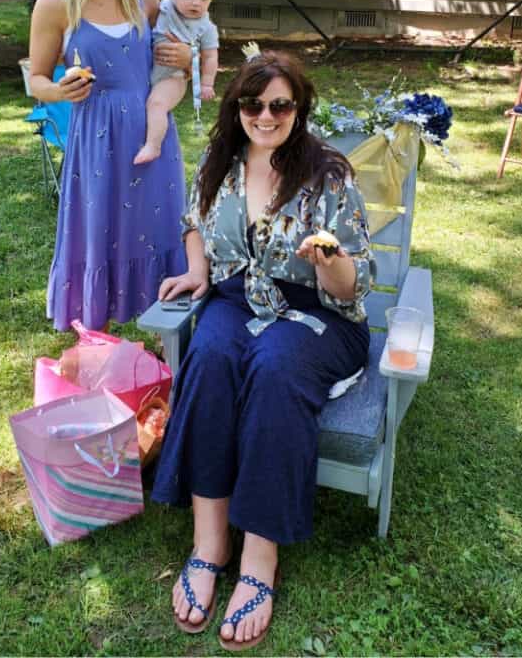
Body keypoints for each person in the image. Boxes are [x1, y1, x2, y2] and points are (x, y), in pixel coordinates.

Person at [151, 50, 373, 651]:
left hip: (317, 312)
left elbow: (355, 286)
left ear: (298, 109)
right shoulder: (222, 158)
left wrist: (329, 263)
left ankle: (259, 558)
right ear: (237, 106)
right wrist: (198, 270)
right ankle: (209, 543)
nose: (266, 116)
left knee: (275, 369)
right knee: (211, 357)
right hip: (236, 298)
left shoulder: (328, 173)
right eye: (253, 104)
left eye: (280, 105)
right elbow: (191, 218)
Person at [28, 0, 190, 331]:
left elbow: (164, 64)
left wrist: (188, 60)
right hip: (95, 138)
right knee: (100, 229)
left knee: (157, 225)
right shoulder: (56, 3)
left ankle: (162, 317)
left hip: (149, 133)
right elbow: (37, 79)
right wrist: (59, 91)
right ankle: (98, 317)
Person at [134, 0, 219, 165]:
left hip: (173, 77)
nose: (196, 3)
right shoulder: (162, 7)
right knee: (146, 105)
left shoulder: (206, 27)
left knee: (157, 104)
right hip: (150, 69)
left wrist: (207, 83)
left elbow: (210, 56)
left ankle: (153, 146)